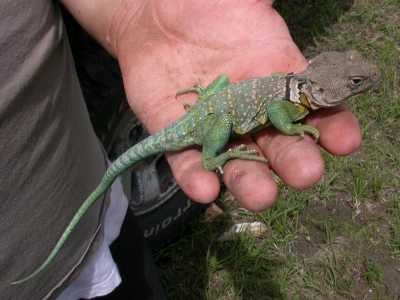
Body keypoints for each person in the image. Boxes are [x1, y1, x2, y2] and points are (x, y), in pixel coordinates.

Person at [0, 1, 362, 299]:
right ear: (323, 89)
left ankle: (209, 107)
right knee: (219, 129)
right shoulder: (294, 103)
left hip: (94, 209)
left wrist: (131, 15)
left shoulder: (297, 90)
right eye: (353, 83)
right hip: (210, 121)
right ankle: (212, 156)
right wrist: (293, 126)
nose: (356, 85)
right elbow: (276, 113)